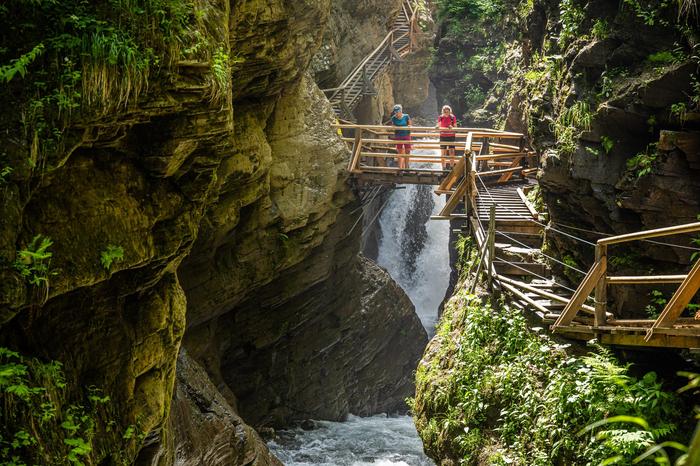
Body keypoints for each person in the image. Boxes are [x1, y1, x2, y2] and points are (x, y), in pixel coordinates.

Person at [391, 104, 412, 169]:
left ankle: (406, 167)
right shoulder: (393, 118)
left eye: (397, 112)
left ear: (401, 111)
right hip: (398, 136)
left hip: (406, 135)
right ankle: (400, 168)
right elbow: (393, 126)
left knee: (407, 151)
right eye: (395, 112)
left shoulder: (406, 116)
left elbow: (410, 125)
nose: (396, 113)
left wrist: (408, 126)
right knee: (400, 151)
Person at [436, 105, 457, 169]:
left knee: (452, 152)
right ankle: (443, 167)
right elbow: (439, 125)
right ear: (443, 111)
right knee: (443, 152)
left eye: (447, 111)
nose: (446, 113)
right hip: (443, 136)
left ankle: (452, 167)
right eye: (445, 111)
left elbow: (455, 127)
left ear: (450, 111)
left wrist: (452, 127)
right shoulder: (441, 117)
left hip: (451, 136)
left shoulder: (452, 117)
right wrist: (437, 127)